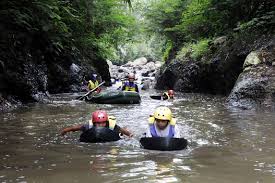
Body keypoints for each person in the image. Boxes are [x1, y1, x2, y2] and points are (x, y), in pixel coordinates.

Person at [61, 110, 133, 137]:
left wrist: (130, 135)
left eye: (103, 123)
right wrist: (64, 131)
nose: (100, 125)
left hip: (111, 134)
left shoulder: (112, 126)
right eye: (98, 123)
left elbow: (123, 131)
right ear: (94, 123)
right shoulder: (88, 126)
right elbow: (74, 128)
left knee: (120, 134)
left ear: (106, 122)